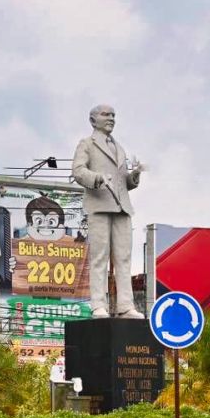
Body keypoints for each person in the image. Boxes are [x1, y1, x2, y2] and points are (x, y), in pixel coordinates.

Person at [70, 103, 143, 318]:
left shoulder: (119, 148)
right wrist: (96, 178)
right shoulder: (87, 144)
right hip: (100, 206)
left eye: (113, 115)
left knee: (124, 258)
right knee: (99, 257)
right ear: (93, 120)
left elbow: (123, 182)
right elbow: (78, 171)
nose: (111, 118)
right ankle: (98, 305)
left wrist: (134, 175)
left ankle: (126, 306)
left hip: (122, 208)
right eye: (105, 114)